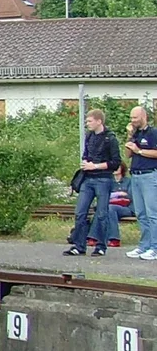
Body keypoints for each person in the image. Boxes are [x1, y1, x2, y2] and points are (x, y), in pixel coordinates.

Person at [66, 108, 120, 257]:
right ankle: (79, 245)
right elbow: (86, 153)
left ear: (99, 121)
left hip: (103, 179)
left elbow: (115, 162)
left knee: (102, 214)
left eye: (90, 121)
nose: (87, 123)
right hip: (88, 179)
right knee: (80, 212)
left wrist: (95, 166)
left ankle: (101, 246)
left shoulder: (110, 139)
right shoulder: (89, 137)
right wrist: (85, 163)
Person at [124, 106, 157, 260]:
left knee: (152, 214)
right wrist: (129, 136)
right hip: (135, 176)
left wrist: (140, 151)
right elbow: (128, 154)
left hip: (149, 176)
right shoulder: (135, 134)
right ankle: (144, 245)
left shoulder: (153, 133)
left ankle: (155, 247)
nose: (132, 121)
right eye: (131, 118)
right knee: (141, 214)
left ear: (143, 116)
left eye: (135, 117)